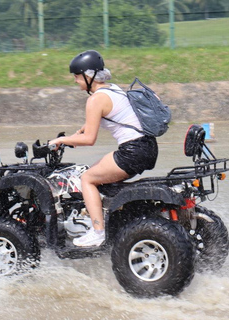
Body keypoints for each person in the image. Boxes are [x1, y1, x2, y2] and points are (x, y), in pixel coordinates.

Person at [49, 50, 158, 247]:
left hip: (132, 151)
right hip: (148, 147)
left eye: (76, 76)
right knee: (97, 175)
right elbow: (90, 127)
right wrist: (73, 137)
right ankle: (107, 217)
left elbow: (90, 138)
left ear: (88, 75)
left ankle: (98, 232)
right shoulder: (113, 89)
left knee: (87, 179)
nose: (75, 81)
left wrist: (62, 140)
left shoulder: (95, 99)